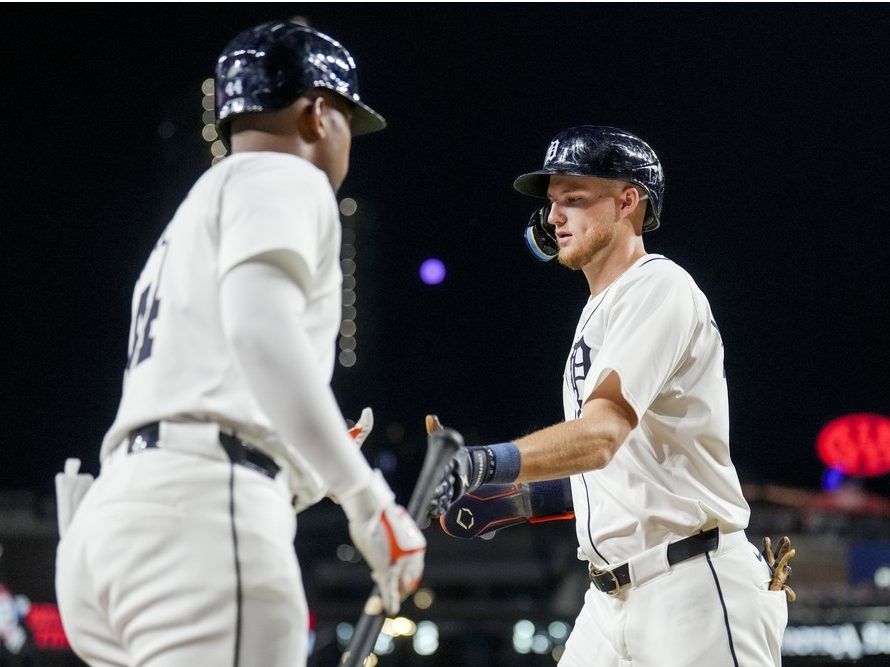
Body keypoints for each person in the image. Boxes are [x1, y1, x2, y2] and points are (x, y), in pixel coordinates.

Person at [54, 20, 425, 667]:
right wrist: (371, 501)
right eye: (345, 120)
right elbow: (260, 330)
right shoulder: (285, 176)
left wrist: (311, 457)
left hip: (112, 525)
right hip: (197, 518)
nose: (347, 144)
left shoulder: (194, 211)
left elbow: (220, 377)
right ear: (316, 114)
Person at [428, 126, 793, 666]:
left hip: (692, 588)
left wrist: (486, 463)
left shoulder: (658, 286)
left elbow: (602, 436)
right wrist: (520, 495)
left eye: (573, 199)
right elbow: (627, 467)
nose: (553, 217)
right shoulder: (601, 309)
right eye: (552, 203)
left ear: (629, 201)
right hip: (609, 600)